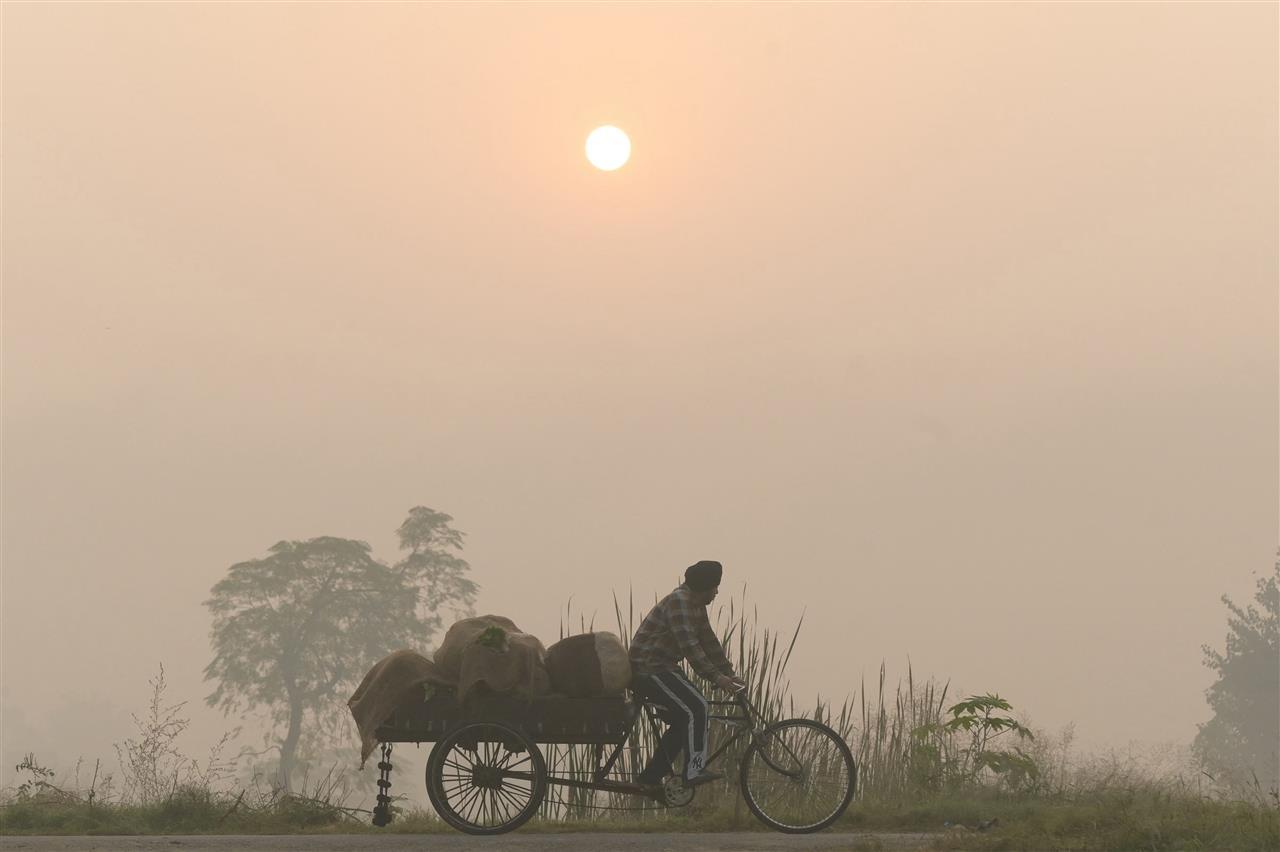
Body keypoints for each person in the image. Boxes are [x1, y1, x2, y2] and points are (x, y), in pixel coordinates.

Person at [629, 560, 746, 788]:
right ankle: (693, 771)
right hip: (647, 668)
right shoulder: (679, 602)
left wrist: (729, 672)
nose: (716, 592)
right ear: (704, 587)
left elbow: (708, 641)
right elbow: (690, 646)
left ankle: (650, 778)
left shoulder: (695, 605)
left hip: (664, 667)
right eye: (714, 587)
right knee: (698, 706)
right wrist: (717, 677)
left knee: (685, 719)